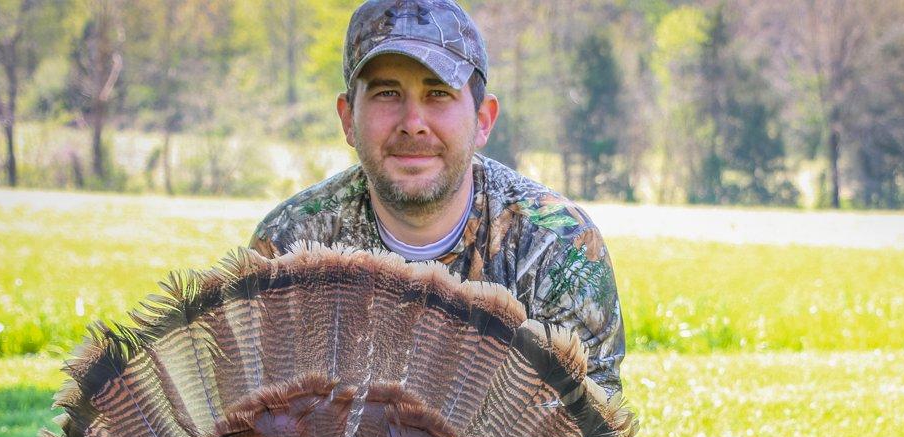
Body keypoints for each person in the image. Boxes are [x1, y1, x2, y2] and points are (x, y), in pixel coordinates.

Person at [250, 0, 625, 396]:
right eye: (387, 93)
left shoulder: (558, 244)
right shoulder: (288, 245)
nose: (413, 124)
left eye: (438, 94)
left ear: (483, 119)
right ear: (348, 118)